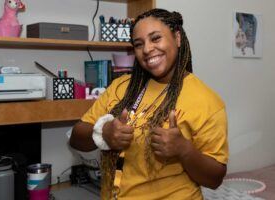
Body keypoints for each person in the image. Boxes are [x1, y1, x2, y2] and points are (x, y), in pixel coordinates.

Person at [70, 8, 228, 200]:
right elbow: (76, 138)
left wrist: (184, 150)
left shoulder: (207, 101)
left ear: (177, 38)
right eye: (139, 44)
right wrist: (103, 132)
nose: (146, 49)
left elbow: (215, 179)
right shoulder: (121, 87)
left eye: (155, 38)